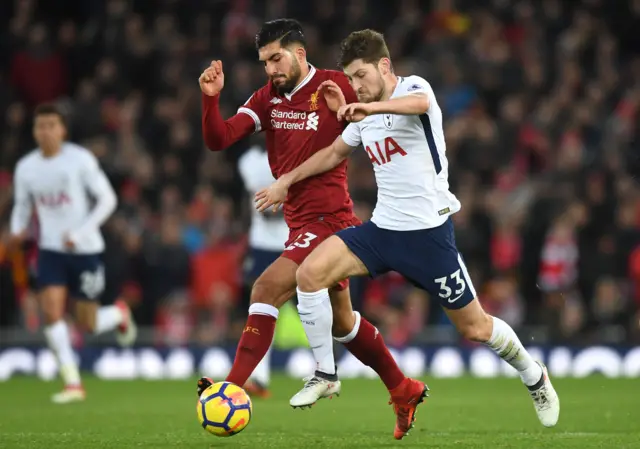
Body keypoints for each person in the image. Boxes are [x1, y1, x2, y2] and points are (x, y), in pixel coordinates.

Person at [256, 29, 560, 429]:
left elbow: (421, 103)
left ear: (384, 66)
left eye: (362, 75)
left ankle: (533, 374)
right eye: (351, 78)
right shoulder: (363, 111)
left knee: (476, 327)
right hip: (382, 231)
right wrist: (286, 181)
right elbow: (332, 153)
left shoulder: (413, 88)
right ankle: (326, 374)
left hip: (429, 239)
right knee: (309, 274)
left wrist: (371, 107)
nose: (357, 86)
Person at [196, 19, 426, 438]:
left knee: (265, 289)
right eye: (265, 62)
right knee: (344, 325)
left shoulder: (337, 83)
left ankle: (232, 386)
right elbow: (219, 138)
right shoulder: (267, 99)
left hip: (331, 218)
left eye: (276, 59)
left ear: (300, 54)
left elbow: (386, 100)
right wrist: (210, 100)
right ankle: (403, 387)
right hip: (299, 222)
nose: (270, 70)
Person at [9, 103, 137, 403]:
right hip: (50, 249)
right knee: (51, 313)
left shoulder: (80, 160)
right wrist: (17, 230)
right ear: (34, 131)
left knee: (86, 323)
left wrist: (80, 233)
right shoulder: (26, 167)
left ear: (62, 130)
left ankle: (119, 313)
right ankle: (72, 382)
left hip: (85, 250)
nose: (46, 131)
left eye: (51, 125)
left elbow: (107, 199)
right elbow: (23, 206)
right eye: (40, 126)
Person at [236, 144, 291, 398]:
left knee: (316, 301)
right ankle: (259, 375)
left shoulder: (253, 161)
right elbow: (268, 206)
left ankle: (327, 366)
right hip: (264, 243)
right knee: (260, 309)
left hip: (293, 240)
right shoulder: (249, 159)